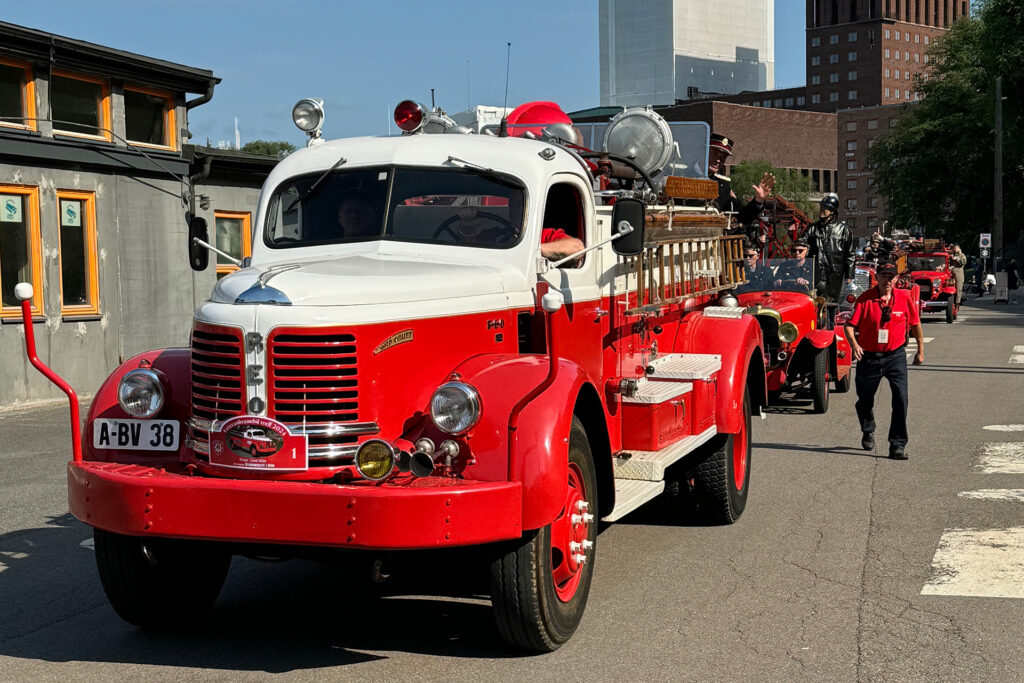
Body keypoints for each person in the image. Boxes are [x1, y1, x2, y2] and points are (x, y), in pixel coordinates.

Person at [844, 261, 924, 460]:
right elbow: (849, 325)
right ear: (877, 277)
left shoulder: (904, 298)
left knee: (901, 398)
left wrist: (920, 350)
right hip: (869, 357)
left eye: (891, 277)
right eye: (884, 276)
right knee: (864, 400)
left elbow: (915, 325)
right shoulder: (865, 299)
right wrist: (855, 345)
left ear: (896, 279)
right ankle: (868, 429)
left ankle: (897, 445)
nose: (887, 280)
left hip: (895, 356)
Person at [707, 133, 776, 242]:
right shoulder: (681, 177)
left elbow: (742, 216)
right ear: (704, 152)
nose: (718, 160)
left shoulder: (722, 184)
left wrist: (758, 200)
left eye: (722, 157)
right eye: (715, 154)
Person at [806, 195, 855, 303]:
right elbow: (802, 244)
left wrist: (849, 275)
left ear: (832, 211)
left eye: (825, 208)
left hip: (835, 273)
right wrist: (792, 234)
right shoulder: (812, 228)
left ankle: (831, 320)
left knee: (832, 302)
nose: (821, 210)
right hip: (816, 271)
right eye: (821, 207)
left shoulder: (844, 230)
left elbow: (850, 254)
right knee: (814, 302)